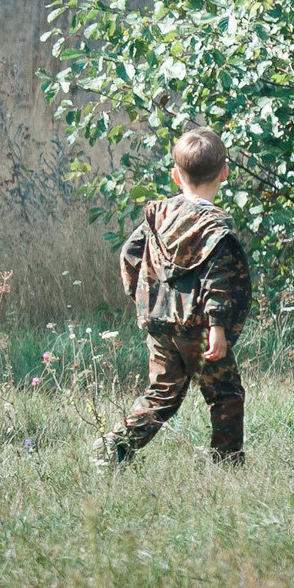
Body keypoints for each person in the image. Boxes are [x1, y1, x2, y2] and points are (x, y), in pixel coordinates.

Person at [104, 127, 252, 467]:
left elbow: (129, 254)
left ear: (175, 176)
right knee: (225, 394)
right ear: (224, 173)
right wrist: (217, 326)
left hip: (159, 323)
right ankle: (228, 464)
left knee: (163, 393)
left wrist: (144, 299)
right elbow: (219, 278)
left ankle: (114, 446)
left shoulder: (160, 216)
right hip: (199, 328)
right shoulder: (216, 227)